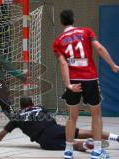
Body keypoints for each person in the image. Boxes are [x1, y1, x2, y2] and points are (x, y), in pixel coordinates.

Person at [52, 10, 119, 159]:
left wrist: (68, 84)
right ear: (73, 19)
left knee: (72, 117)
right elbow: (99, 48)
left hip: (73, 81)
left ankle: (68, 150)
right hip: (89, 79)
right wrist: (113, 65)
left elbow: (63, 63)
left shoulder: (58, 41)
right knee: (96, 115)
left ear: (62, 22)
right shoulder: (86, 31)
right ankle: (97, 150)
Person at [0, 97, 119, 152]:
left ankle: (87, 144)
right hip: (56, 128)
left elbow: (2, 133)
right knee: (87, 132)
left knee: (73, 145)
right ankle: (116, 137)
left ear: (21, 106)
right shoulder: (40, 107)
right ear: (32, 103)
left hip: (45, 139)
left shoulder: (17, 117)